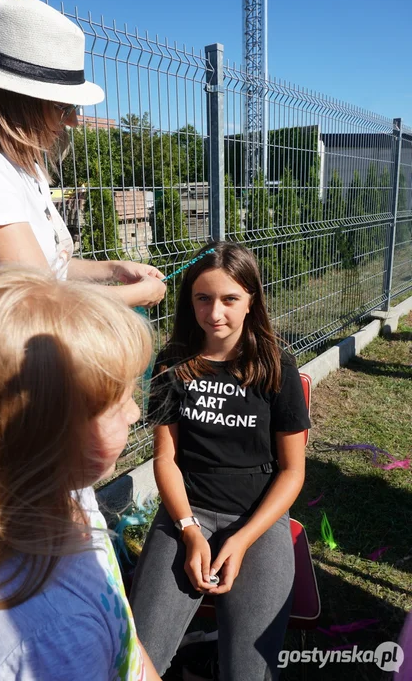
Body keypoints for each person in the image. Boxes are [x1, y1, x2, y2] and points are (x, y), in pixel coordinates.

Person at [0, 265, 161, 681]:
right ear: (42, 437)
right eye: (120, 400)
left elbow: (123, 629)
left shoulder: (70, 496)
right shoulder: (51, 643)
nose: (136, 412)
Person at [129, 241, 311, 681]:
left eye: (230, 299)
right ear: (189, 300)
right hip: (186, 517)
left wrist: (244, 538)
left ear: (251, 300)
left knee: (248, 671)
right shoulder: (173, 365)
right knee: (136, 660)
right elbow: (166, 458)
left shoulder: (275, 368)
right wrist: (189, 531)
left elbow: (292, 471)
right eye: (203, 298)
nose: (215, 313)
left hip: (258, 520)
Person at [0, 0, 165, 307]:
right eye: (62, 106)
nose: (73, 121)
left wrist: (114, 268)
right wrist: (130, 296)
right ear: (16, 101)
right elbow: (41, 295)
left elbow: (52, 270)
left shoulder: (23, 169)